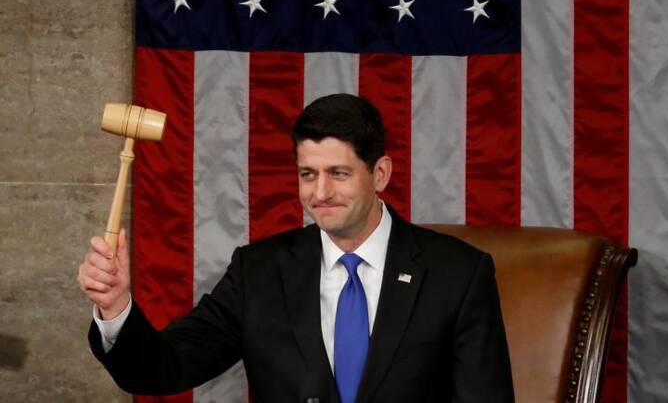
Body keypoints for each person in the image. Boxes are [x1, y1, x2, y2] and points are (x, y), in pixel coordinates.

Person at [78, 93, 514, 403]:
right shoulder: (258, 271)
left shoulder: (458, 273)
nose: (320, 192)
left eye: (339, 173)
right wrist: (116, 308)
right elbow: (162, 369)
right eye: (308, 174)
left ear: (380, 174)